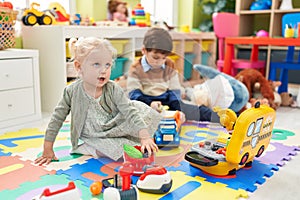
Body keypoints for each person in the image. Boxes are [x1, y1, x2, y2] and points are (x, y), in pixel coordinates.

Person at [35, 37, 161, 165]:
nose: (104, 70)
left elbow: (130, 112)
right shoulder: (71, 91)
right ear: (79, 67)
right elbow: (56, 119)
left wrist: (145, 137)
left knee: (141, 111)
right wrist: (47, 148)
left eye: (108, 65)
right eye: (96, 64)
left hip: (114, 125)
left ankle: (148, 135)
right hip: (96, 135)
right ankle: (91, 148)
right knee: (115, 148)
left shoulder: (113, 88)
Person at [127, 27, 213, 122]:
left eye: (163, 58)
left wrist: (177, 106)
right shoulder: (135, 68)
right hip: (145, 102)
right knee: (133, 115)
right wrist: (150, 103)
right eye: (156, 58)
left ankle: (218, 117)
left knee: (192, 110)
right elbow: (134, 94)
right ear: (144, 50)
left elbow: (174, 90)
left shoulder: (169, 64)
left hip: (167, 100)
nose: (160, 62)